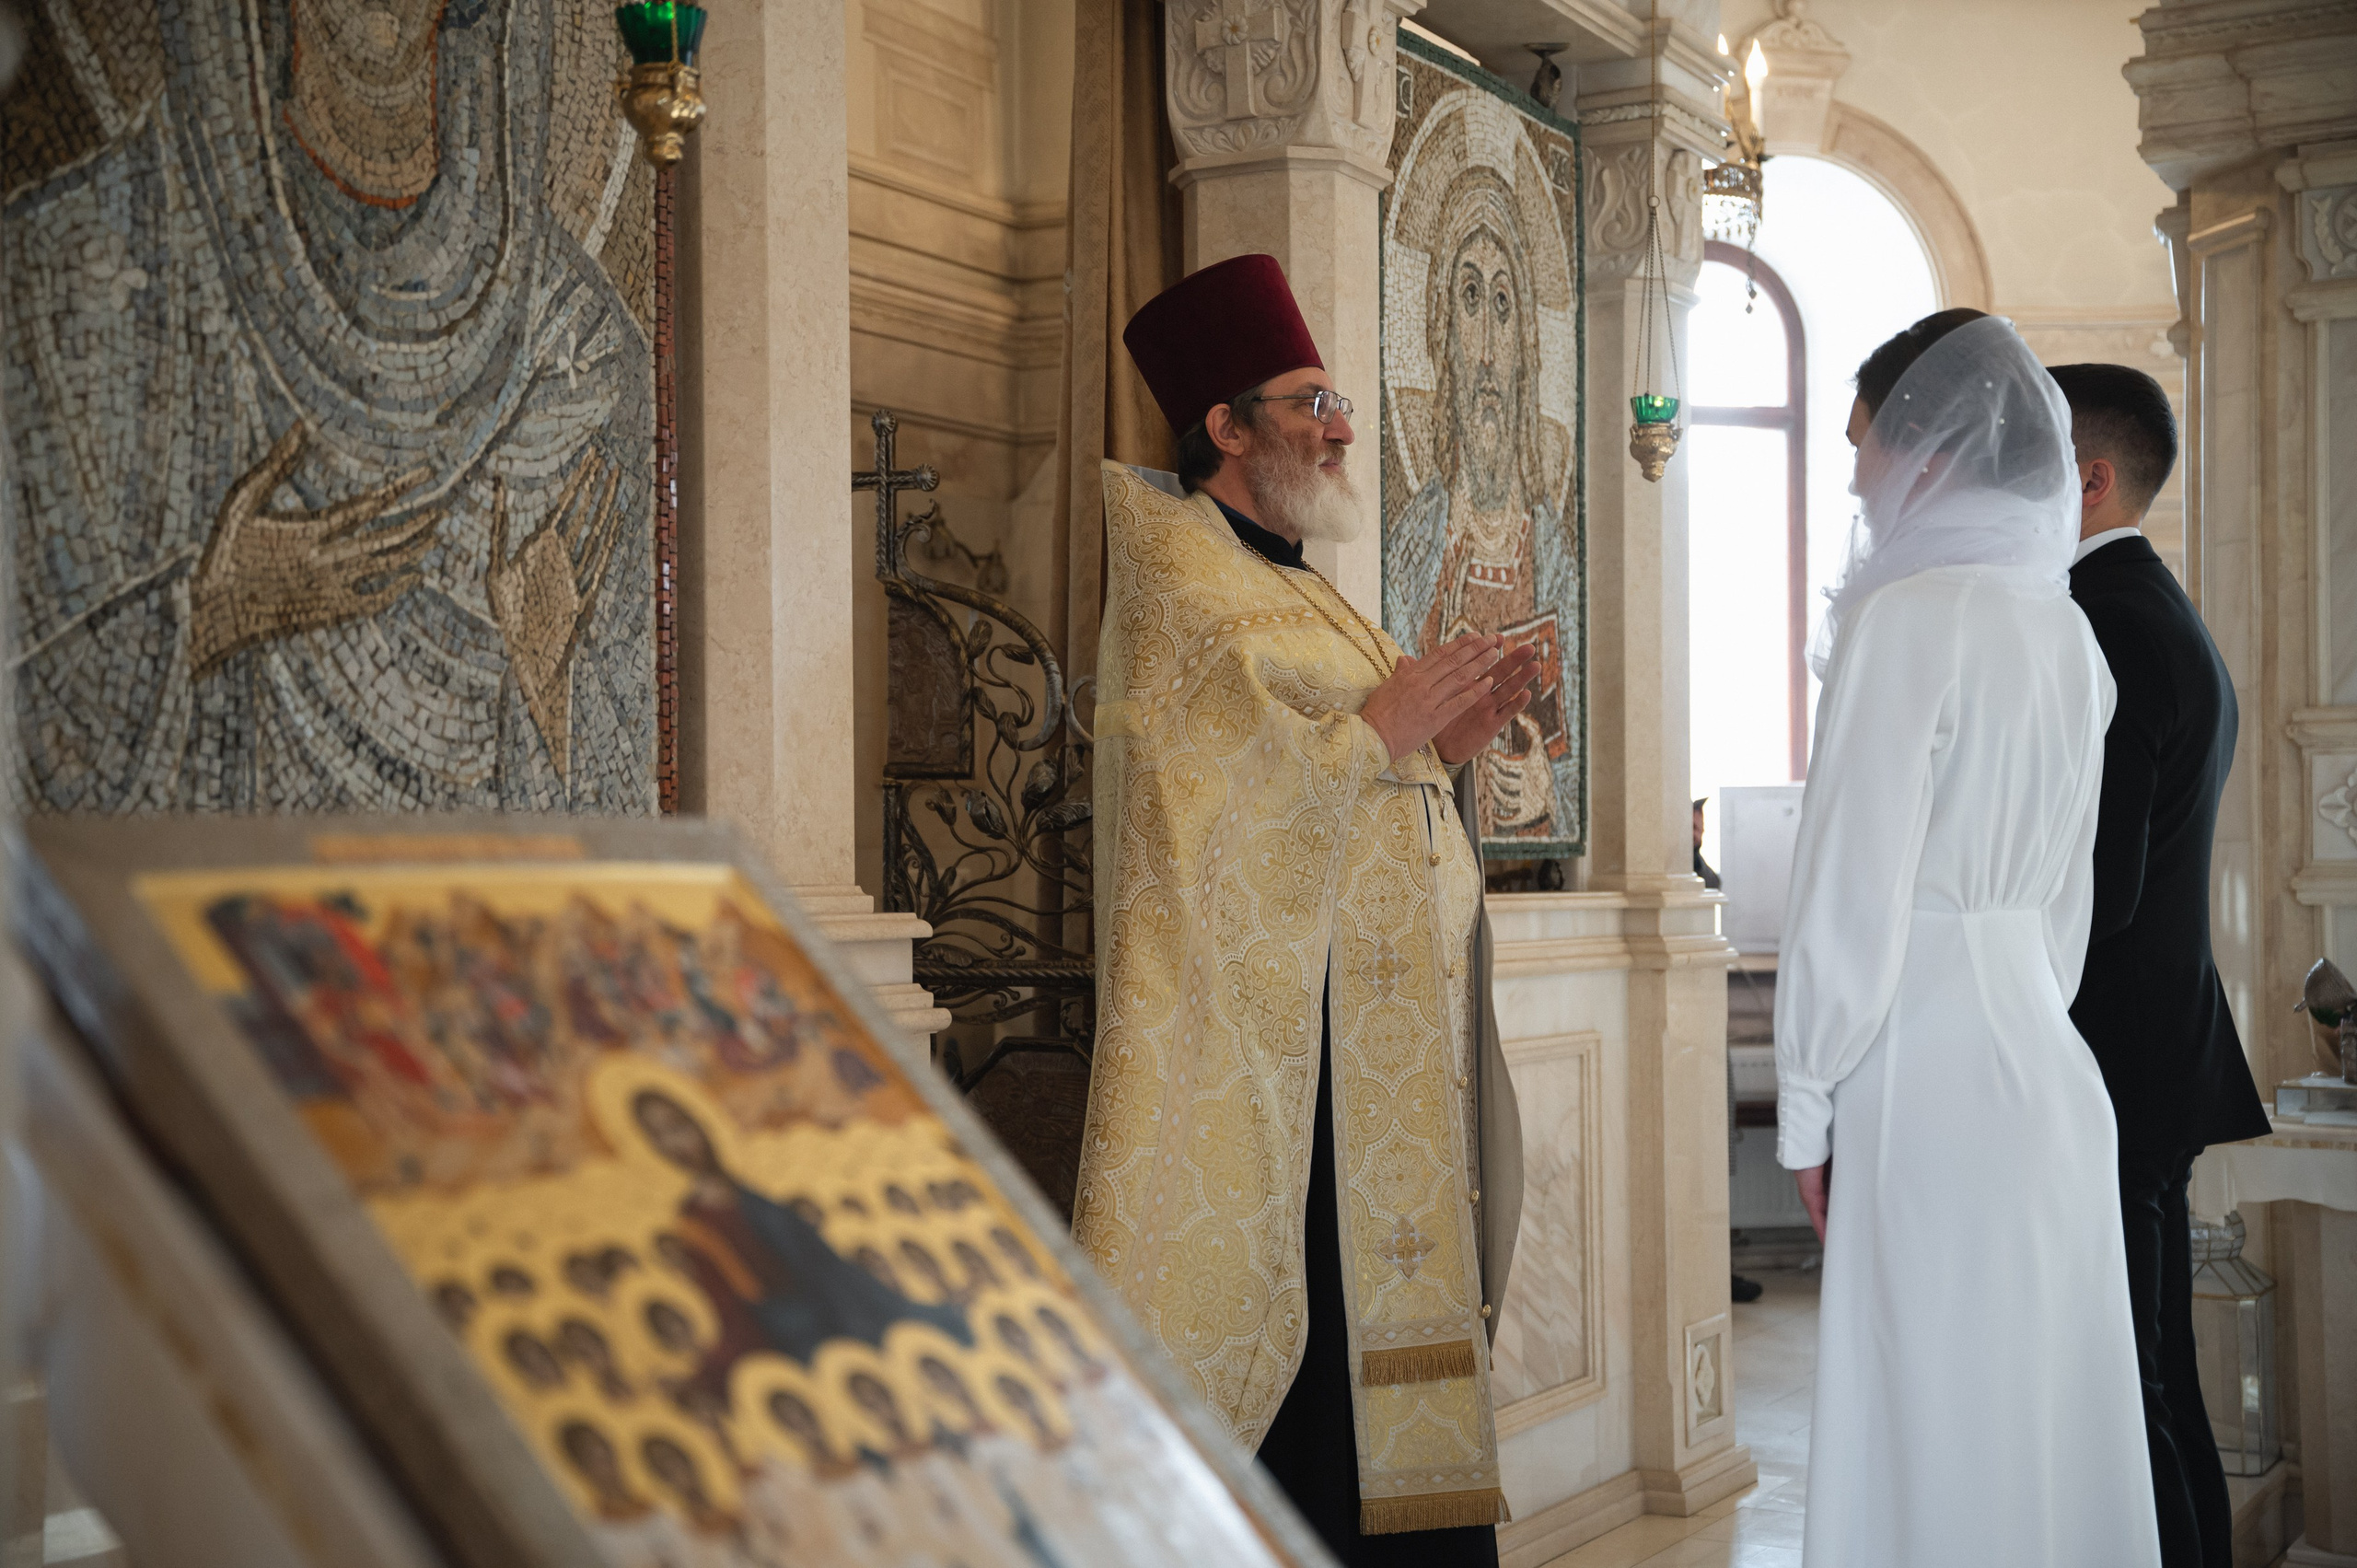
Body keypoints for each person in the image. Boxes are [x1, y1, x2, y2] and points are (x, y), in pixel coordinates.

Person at [1075, 254, 1538, 1565]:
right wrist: (1382, 731)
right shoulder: (1181, 582)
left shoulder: (1304, 584)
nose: (1340, 427)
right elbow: (1197, 813)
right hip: (1284, 1064)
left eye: (1337, 401)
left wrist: (1440, 741)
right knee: (1313, 1386)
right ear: (1223, 426)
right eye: (1308, 402)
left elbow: (1368, 783)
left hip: (1372, 1043)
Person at [1773, 310, 2160, 1567]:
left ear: (1928, 449)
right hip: (2046, 1062)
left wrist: (1805, 1105)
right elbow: (2065, 908)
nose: (1854, 477)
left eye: (1865, 447)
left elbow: (1850, 889)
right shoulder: (2069, 635)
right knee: (2034, 1401)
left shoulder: (1906, 622)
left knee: (1923, 1393)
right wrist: (2017, 1000)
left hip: (1919, 1058)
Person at [2051, 363, 2271, 1568]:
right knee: (2150, 1378)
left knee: (2133, 1386)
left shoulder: (2108, 619)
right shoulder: (2154, 605)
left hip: (2112, 1065)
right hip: (2150, 1051)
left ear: (2088, 477)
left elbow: (2102, 883)